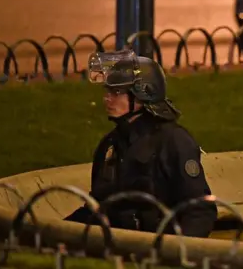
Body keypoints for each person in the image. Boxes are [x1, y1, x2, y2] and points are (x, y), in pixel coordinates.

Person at [65, 49, 217, 238]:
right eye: (108, 90)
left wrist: (173, 252)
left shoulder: (174, 141)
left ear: (142, 95)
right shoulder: (110, 145)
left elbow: (200, 212)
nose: (107, 98)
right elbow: (97, 208)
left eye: (117, 92)